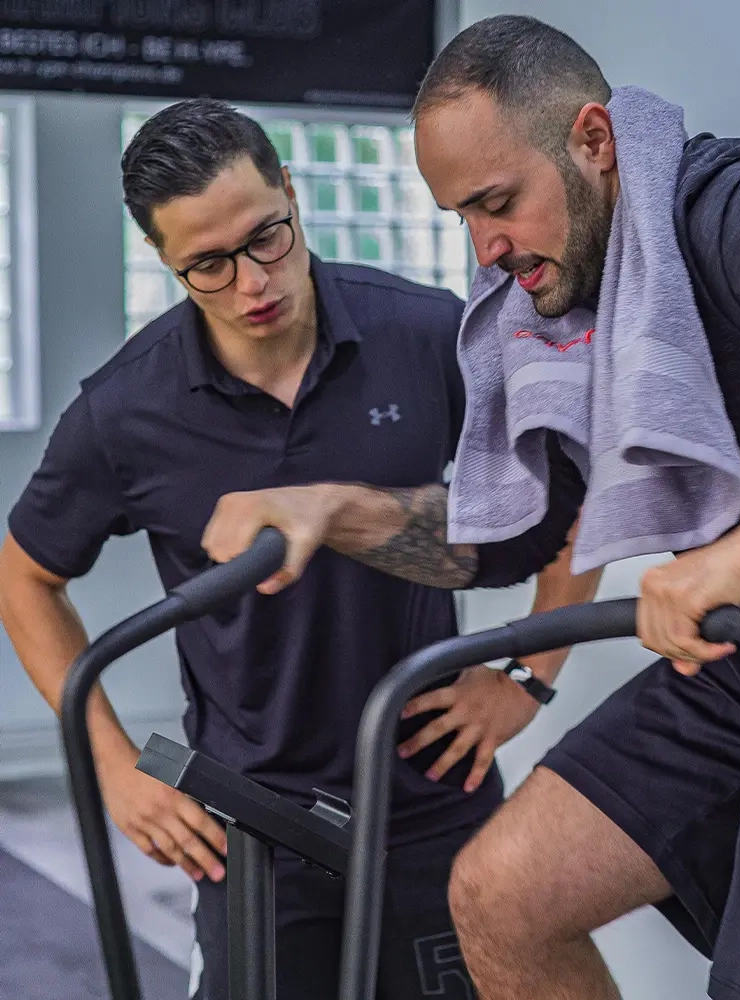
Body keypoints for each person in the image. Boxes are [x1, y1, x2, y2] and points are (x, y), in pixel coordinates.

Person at [198, 15, 740, 1000]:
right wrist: (334, 510)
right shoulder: (577, 297)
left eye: (499, 203)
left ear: (593, 139)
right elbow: (520, 539)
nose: (487, 249)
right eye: (462, 216)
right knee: (502, 897)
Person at [0, 98, 601, 1000]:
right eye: (209, 264)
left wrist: (529, 675)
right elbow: (23, 578)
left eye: (266, 237)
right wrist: (115, 768)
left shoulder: (427, 334)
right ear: (163, 259)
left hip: (434, 791)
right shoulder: (124, 411)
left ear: (289, 189)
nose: (253, 283)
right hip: (253, 824)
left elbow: (575, 501)